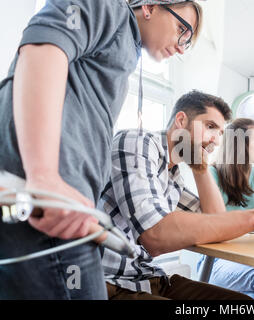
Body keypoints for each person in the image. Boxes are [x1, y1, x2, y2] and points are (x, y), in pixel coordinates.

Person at [0, 0, 202, 299]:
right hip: (52, 209)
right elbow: (42, 49)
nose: (182, 46)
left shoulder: (122, 50)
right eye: (182, 30)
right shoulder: (109, 9)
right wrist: (43, 177)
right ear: (149, 7)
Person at [101, 91, 254, 300]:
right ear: (181, 120)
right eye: (210, 127)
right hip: (112, 283)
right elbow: (155, 236)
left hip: (148, 278)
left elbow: (216, 223)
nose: (215, 140)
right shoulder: (138, 142)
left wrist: (200, 168)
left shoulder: (173, 176)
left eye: (220, 133)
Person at [196, 118, 254, 300]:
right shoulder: (212, 174)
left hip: (250, 258)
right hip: (217, 261)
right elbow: (213, 223)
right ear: (240, 144)